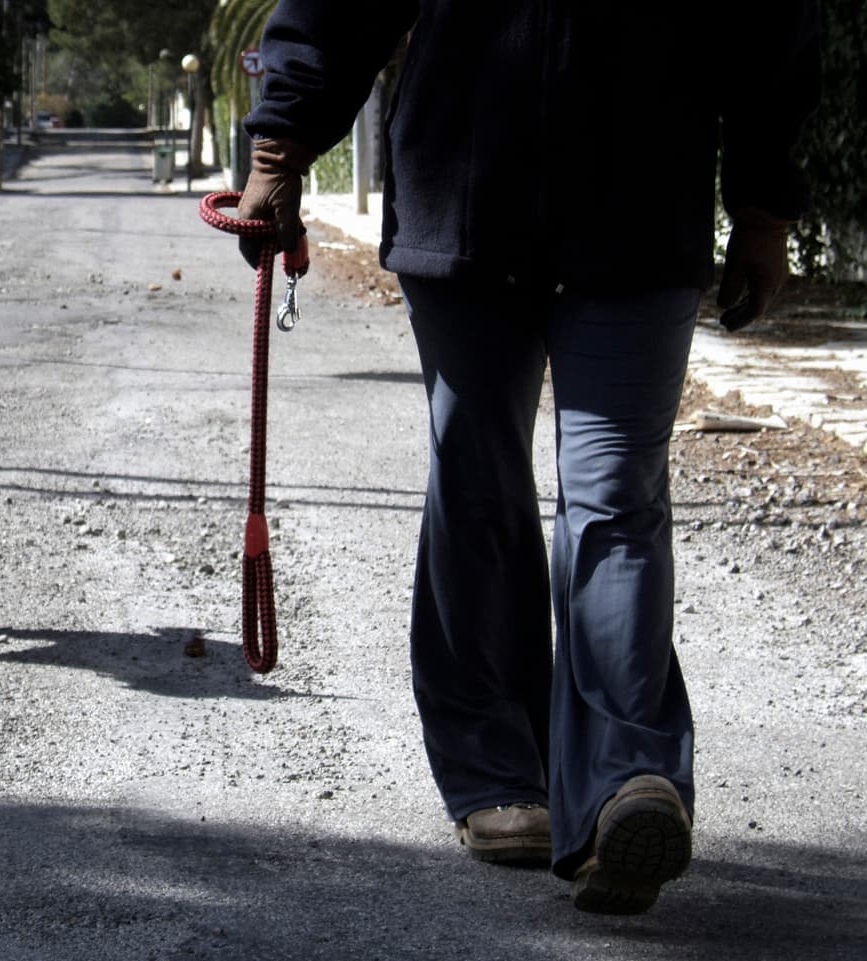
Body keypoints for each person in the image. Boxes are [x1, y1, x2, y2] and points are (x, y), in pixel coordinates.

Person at [237, 1, 821, 914]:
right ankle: (495, 770)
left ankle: (625, 783)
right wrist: (279, 149)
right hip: (466, 196)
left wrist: (762, 207)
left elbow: (771, 27)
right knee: (478, 480)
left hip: (639, 208)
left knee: (614, 493)